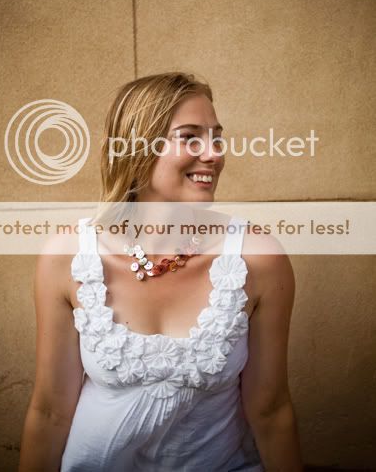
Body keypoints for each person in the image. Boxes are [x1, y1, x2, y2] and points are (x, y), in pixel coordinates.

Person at [18, 71, 303, 471]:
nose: (214, 154)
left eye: (216, 138)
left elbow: (271, 411)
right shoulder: (68, 257)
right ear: (137, 149)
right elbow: (50, 412)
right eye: (190, 138)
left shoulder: (256, 257)